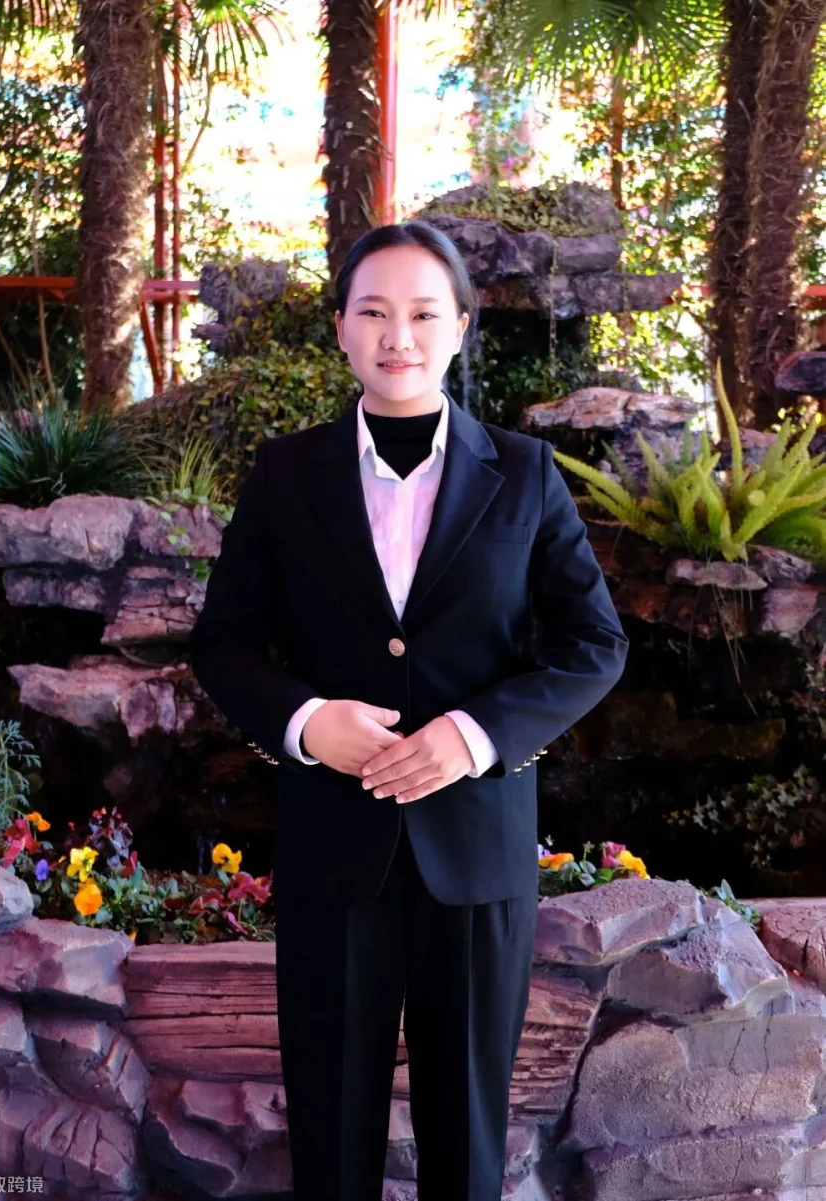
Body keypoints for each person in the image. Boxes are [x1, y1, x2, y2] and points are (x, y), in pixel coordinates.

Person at [188, 220, 628, 1201]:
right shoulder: (284, 475)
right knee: (332, 1135)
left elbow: (594, 645)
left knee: (466, 1142)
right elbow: (222, 645)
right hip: (332, 844)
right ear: (341, 328)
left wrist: (471, 738)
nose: (399, 336)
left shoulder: (525, 472)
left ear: (461, 327)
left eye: (425, 314)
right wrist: (307, 722)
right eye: (374, 312)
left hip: (475, 849)